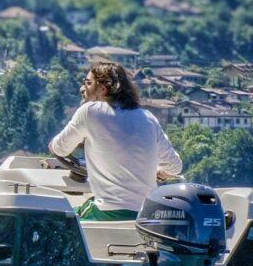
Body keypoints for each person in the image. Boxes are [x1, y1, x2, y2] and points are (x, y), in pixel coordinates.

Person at [49, 61, 182, 220]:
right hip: (146, 216)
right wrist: (159, 172)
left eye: (88, 83)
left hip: (107, 212)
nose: (82, 88)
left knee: (59, 220)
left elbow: (60, 149)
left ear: (102, 89)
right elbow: (175, 167)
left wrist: (53, 145)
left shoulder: (90, 112)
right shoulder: (148, 118)